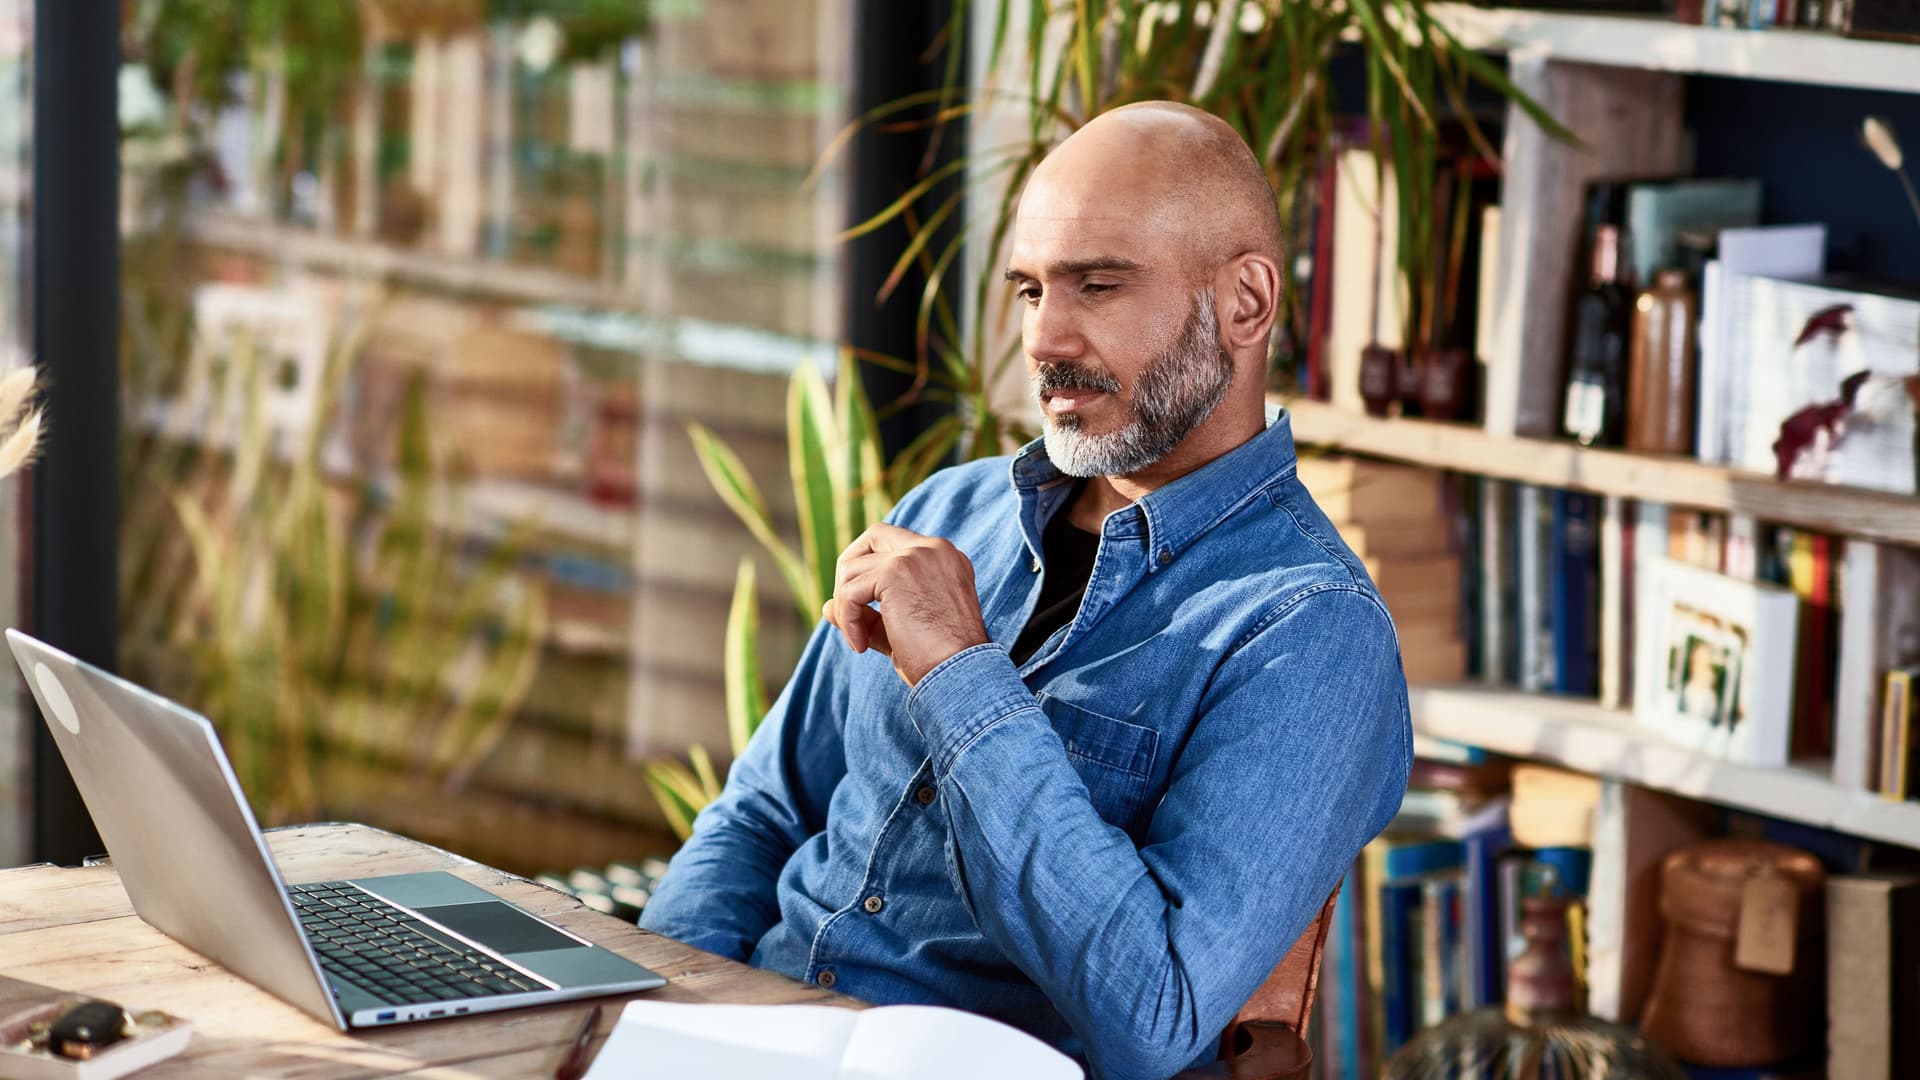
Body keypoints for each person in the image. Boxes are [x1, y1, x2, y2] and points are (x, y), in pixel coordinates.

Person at [639, 101, 1411, 1080]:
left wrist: (961, 669)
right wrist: (666, 1009)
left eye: (1097, 284)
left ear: (1247, 303)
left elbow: (1153, 1017)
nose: (1044, 337)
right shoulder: (948, 510)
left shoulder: (1309, 634)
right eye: (1029, 290)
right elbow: (760, 814)